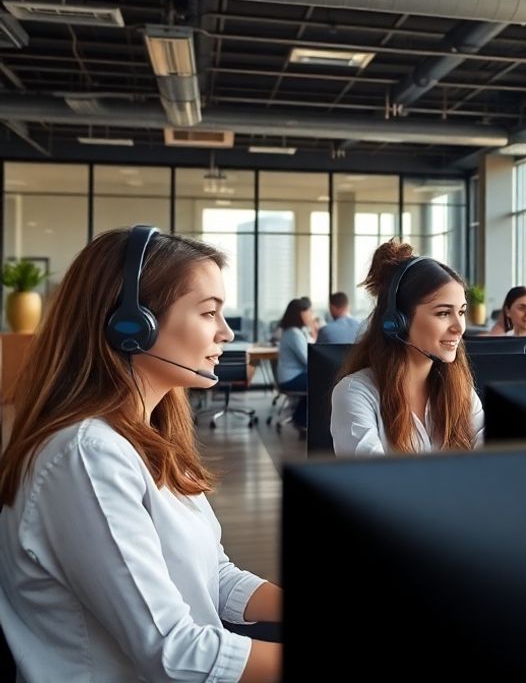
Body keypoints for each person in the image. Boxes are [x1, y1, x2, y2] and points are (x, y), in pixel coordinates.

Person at [0, 226, 281, 682]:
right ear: (131, 327)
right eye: (209, 313)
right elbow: (173, 653)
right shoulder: (87, 456)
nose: (226, 333)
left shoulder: (142, 437)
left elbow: (214, 576)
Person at [331, 241, 483, 455]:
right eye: (443, 313)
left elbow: (492, 463)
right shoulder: (356, 394)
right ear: (398, 321)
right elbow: (371, 483)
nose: (459, 328)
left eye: (461, 312)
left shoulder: (460, 391)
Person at [276, 297, 314, 429]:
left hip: (294, 376)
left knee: (317, 380)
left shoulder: (298, 331)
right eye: (309, 312)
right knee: (321, 382)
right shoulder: (293, 333)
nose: (311, 315)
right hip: (291, 379)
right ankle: (302, 419)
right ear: (300, 314)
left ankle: (300, 417)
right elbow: (308, 359)